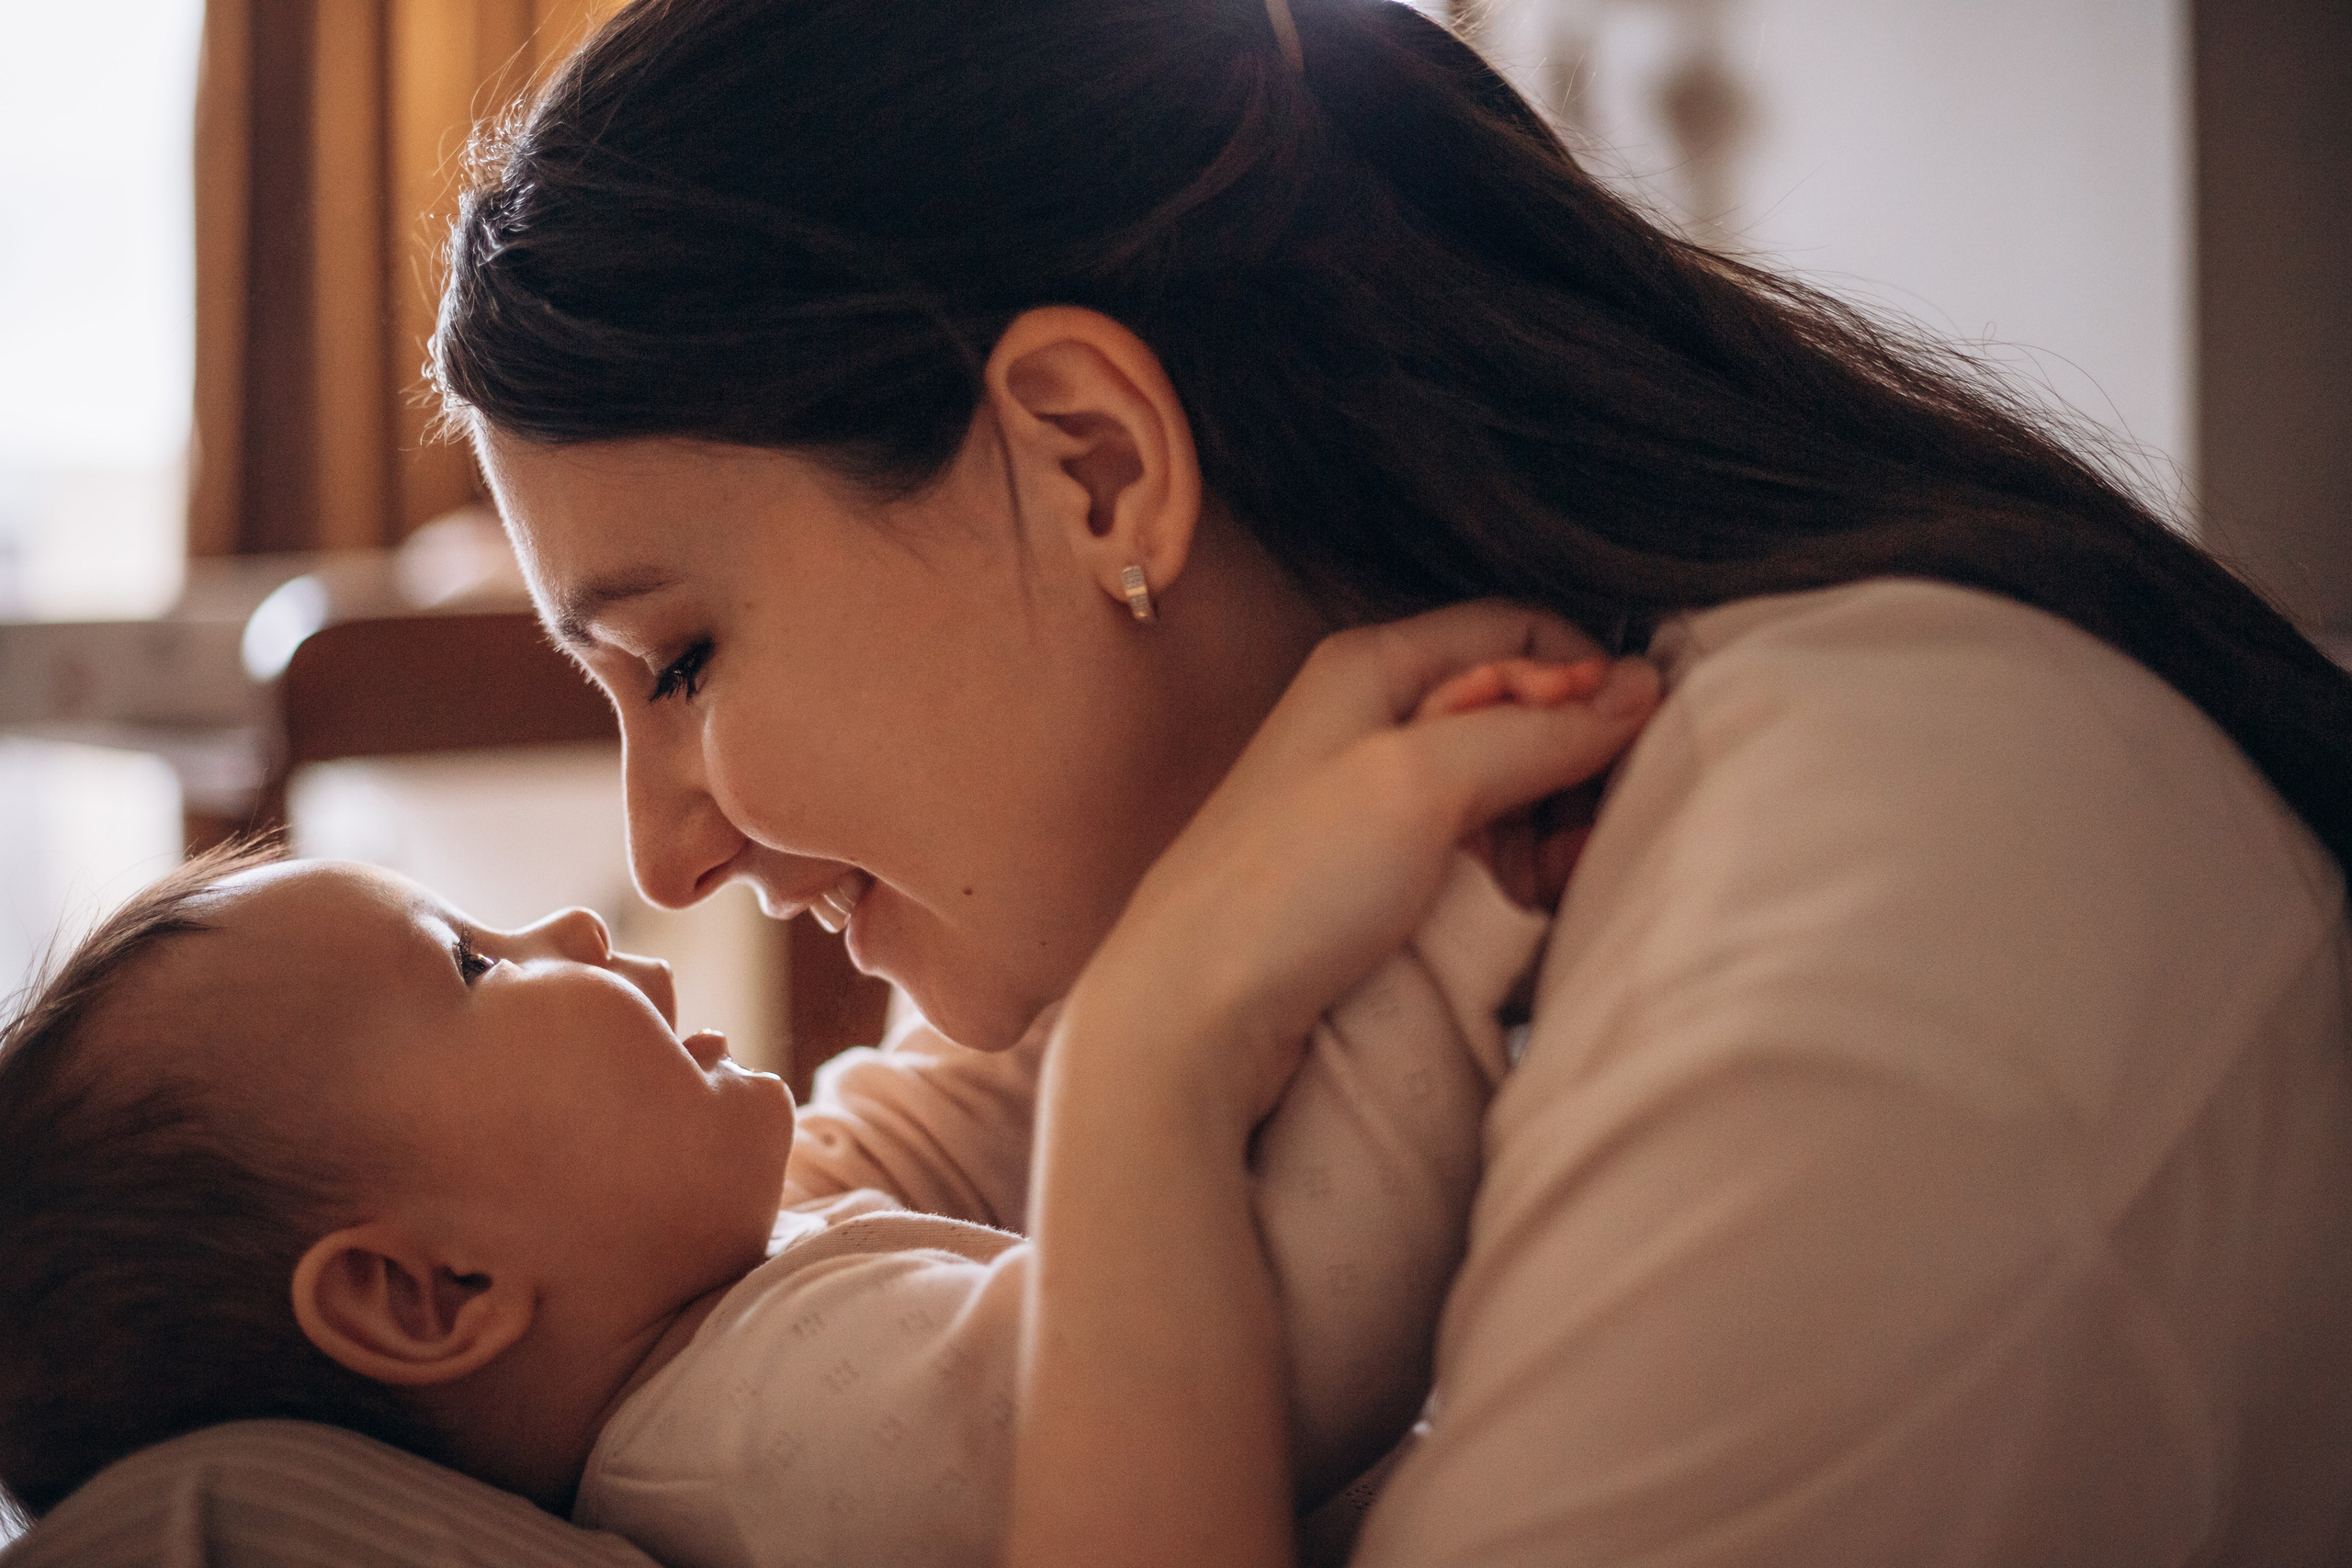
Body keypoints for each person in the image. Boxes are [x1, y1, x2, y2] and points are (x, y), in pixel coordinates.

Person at [15, 0, 2352, 1561]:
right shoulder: (1357, 887)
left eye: (683, 656)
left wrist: (1145, 1053)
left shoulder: (1884, 867)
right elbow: (853, 1185)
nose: (659, 847)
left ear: (1091, 462)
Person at [0, 655, 1639, 1566]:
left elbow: (981, 1108)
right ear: (431, 1292)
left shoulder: (722, 1307)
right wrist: (1447, 933)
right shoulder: (783, 1434)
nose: (576, 925)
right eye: (477, 967)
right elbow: (1271, 1337)